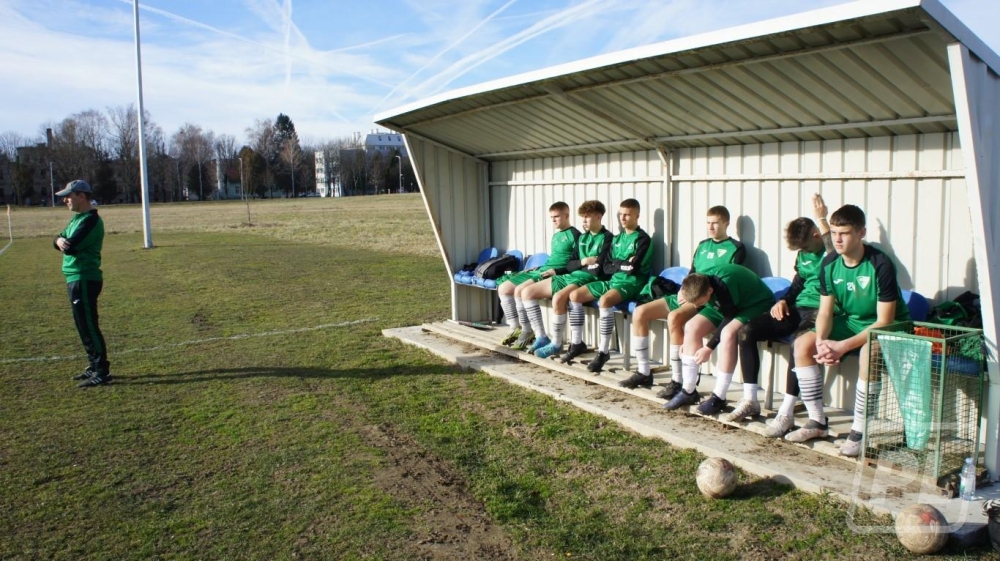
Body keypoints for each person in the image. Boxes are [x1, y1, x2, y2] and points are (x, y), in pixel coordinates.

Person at [784, 204, 910, 456]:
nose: (837, 239)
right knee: (802, 344)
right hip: (851, 321)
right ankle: (817, 421)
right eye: (834, 232)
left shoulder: (880, 263)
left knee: (869, 352)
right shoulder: (829, 263)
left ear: (861, 233)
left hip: (890, 325)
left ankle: (859, 432)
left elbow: (884, 321)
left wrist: (841, 346)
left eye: (845, 233)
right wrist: (822, 341)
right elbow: (825, 312)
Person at [729, 194, 834, 431]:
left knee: (799, 342)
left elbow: (832, 251)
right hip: (799, 308)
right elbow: (798, 283)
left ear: (817, 235)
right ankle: (750, 399)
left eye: (805, 246)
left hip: (822, 310)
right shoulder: (803, 254)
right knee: (746, 331)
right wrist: (784, 300)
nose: (803, 251)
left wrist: (822, 219)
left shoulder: (832, 253)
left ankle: (786, 412)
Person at [628, 206, 745, 394]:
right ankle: (643, 371)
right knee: (640, 312)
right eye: (708, 223)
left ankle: (677, 379)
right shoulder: (703, 245)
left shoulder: (736, 248)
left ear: (726, 223)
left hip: (707, 298)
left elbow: (730, 280)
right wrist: (683, 289)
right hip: (689, 292)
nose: (711, 227)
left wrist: (696, 293)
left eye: (715, 223)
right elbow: (692, 272)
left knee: (674, 317)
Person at [662, 264, 775, 412]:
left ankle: (719, 396)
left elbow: (729, 316)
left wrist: (708, 348)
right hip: (721, 303)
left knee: (727, 333)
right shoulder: (698, 280)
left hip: (753, 304)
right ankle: (688, 390)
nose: (696, 306)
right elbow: (702, 301)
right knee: (691, 327)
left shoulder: (724, 284)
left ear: (709, 290)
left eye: (699, 303)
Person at [563, 199, 653, 373]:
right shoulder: (617, 238)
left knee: (604, 301)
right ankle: (576, 342)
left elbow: (633, 269)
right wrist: (623, 263)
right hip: (613, 281)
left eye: (627, 214)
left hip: (632, 283)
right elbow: (606, 267)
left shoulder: (643, 239)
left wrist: (618, 263)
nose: (623, 218)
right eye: (621, 214)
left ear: (637, 216)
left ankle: (603, 352)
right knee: (575, 295)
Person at [520, 201, 613, 358]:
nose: (583, 221)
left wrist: (580, 265)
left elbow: (598, 269)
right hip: (572, 275)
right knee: (527, 292)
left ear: (598, 216)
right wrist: (583, 262)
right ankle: (541, 336)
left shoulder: (608, 238)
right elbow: (570, 264)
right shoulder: (582, 237)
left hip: (589, 279)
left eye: (587, 217)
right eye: (582, 217)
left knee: (559, 298)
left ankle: (557, 344)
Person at [498, 202, 580, 350]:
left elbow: (576, 263)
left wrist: (558, 271)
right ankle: (515, 328)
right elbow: (554, 258)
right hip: (542, 269)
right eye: (551, 217)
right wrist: (537, 268)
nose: (553, 220)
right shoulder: (556, 235)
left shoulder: (575, 235)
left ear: (566, 215)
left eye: (556, 217)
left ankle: (531, 332)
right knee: (503, 288)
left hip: (554, 273)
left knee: (520, 291)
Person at [53, 180, 111, 388]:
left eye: (69, 196)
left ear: (81, 196)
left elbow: (70, 246)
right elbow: (58, 240)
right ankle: (93, 365)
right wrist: (58, 240)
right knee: (82, 325)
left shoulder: (91, 221)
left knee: (88, 325)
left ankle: (102, 371)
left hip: (84, 278)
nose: (65, 201)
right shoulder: (77, 219)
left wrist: (62, 242)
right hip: (74, 278)